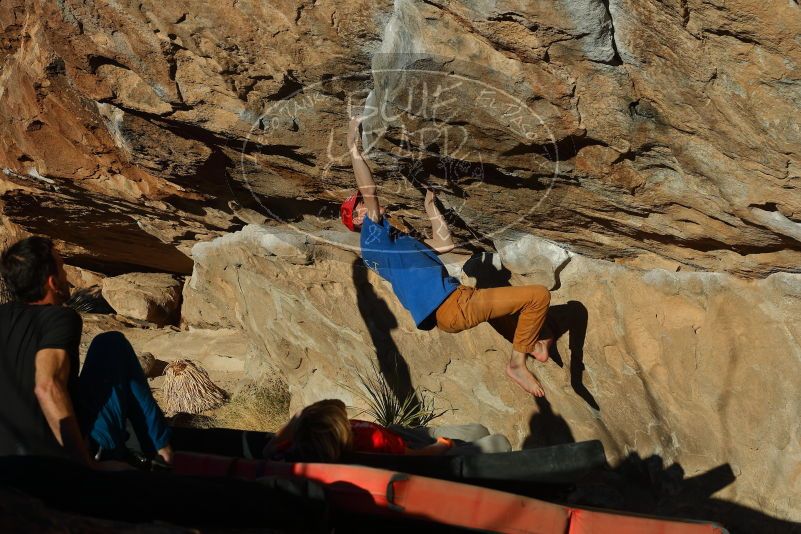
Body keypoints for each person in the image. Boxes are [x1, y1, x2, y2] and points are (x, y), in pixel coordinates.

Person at [340, 117, 553, 397]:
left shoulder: (392, 246)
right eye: (360, 207)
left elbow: (444, 244)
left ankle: (532, 344)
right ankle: (517, 363)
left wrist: (430, 207)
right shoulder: (372, 235)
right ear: (357, 219)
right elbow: (370, 191)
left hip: (452, 311)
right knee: (538, 296)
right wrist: (353, 148)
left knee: (505, 311)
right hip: (453, 305)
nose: (365, 206)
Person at [0, 236, 172, 467]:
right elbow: (47, 386)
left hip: (7, 463)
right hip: (56, 464)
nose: (67, 278)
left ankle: (156, 447)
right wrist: (85, 466)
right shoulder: (60, 318)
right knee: (111, 344)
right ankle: (160, 452)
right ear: (52, 282)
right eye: (62, 268)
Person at [263, 399, 510, 462]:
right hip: (419, 454)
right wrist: (440, 447)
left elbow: (270, 447)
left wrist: (296, 422)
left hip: (401, 435)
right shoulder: (372, 444)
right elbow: (412, 460)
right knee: (498, 442)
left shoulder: (294, 446)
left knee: (478, 429)